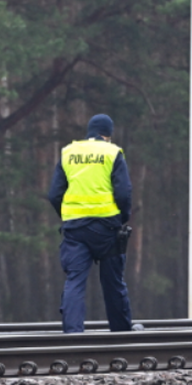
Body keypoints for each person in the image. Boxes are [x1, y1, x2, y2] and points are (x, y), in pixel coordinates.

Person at [46, 114, 133, 333]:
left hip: (76, 229)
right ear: (108, 134)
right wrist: (122, 217)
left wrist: (67, 215)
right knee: (113, 282)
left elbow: (55, 194)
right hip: (108, 229)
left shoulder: (68, 153)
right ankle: (121, 332)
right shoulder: (112, 153)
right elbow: (123, 193)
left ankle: (73, 335)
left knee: (75, 280)